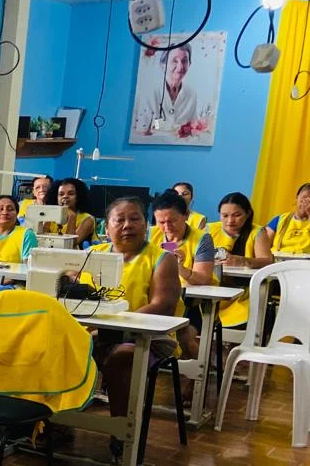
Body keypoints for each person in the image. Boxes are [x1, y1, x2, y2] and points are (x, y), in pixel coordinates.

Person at [85, 198, 183, 422]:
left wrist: (111, 326)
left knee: (123, 356)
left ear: (145, 225)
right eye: (119, 220)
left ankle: (123, 431)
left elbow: (163, 306)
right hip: (97, 333)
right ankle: (54, 423)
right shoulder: (92, 255)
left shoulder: (162, 259)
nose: (127, 225)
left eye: (134, 219)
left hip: (149, 337)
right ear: (107, 228)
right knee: (52, 344)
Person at [150, 190, 215, 358]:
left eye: (172, 221)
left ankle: (198, 374)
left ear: (186, 215)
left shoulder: (202, 239)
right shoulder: (150, 234)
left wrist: (180, 268)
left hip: (191, 303)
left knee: (184, 336)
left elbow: (203, 278)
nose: (166, 227)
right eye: (161, 222)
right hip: (153, 298)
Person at [209, 192, 274, 328]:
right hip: (211, 290)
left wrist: (244, 261)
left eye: (237, 215)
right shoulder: (209, 230)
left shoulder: (257, 232)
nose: (230, 221)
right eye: (225, 216)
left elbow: (268, 261)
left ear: (248, 213)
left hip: (242, 293)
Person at [134, 45, 204, 137]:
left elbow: (194, 130)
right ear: (163, 65)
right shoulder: (150, 92)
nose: (180, 66)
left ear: (189, 64)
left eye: (184, 61)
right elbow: (141, 132)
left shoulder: (191, 94)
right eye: (174, 61)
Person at [0, 195, 38, 265]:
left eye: (10, 209)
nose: (5, 212)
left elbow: (28, 269)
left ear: (17, 214)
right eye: (0, 209)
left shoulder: (26, 235)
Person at [43, 177, 97, 246]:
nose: (65, 196)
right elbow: (41, 240)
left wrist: (72, 216)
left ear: (78, 197)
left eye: (71, 194)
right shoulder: (52, 216)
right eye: (61, 194)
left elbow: (70, 244)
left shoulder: (88, 219)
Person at [265, 182, 310, 255]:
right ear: (297, 198)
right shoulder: (279, 219)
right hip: (279, 262)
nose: (306, 203)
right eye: (304, 197)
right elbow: (262, 246)